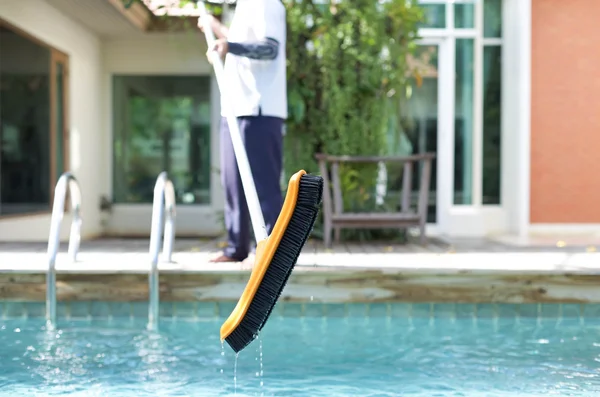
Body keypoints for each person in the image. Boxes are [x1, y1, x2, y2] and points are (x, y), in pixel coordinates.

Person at [199, 0, 287, 265]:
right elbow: (241, 42)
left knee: (263, 187)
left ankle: (275, 254)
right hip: (235, 107)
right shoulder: (246, 6)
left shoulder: (266, 3)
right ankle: (237, 248)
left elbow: (269, 49)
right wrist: (215, 27)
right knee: (233, 184)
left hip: (258, 108)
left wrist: (229, 46)